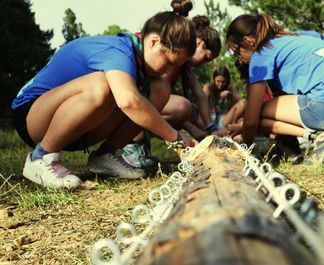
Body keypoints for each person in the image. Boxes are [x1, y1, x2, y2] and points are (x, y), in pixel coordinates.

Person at [11, 7, 198, 190]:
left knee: (160, 88)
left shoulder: (141, 65)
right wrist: (176, 138)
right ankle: (41, 157)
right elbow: (128, 101)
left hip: (76, 128)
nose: (170, 70)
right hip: (32, 116)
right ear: (154, 42)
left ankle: (105, 156)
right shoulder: (118, 51)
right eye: (170, 62)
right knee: (104, 85)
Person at [225, 13, 324, 164]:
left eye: (236, 52)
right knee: (274, 102)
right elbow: (319, 38)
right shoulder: (298, 36)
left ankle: (319, 136)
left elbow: (251, 121)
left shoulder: (261, 56)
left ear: (249, 41)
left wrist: (245, 147)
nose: (239, 59)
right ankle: (293, 147)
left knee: (258, 111)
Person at [122, 4, 221, 169]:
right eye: (206, 58)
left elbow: (200, 95)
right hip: (131, 104)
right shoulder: (168, 58)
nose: (204, 64)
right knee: (182, 106)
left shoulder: (184, 66)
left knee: (190, 109)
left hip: (141, 103)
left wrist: (210, 129)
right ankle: (134, 143)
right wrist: (186, 131)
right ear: (198, 43)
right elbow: (149, 95)